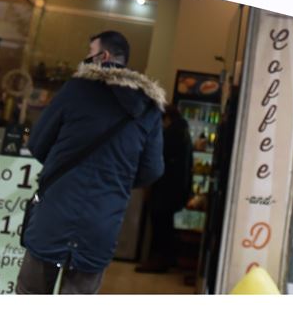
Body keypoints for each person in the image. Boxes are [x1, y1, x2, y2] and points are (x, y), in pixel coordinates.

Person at [16, 31, 165, 294]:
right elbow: (152, 169)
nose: (85, 58)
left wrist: (61, 163)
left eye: (89, 52)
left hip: (54, 213)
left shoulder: (76, 89)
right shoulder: (148, 107)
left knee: (31, 293)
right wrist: (117, 179)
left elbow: (38, 142)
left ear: (103, 56)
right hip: (102, 221)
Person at [135, 104, 193, 273]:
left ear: (166, 118)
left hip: (165, 190)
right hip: (176, 190)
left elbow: (157, 161)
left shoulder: (170, 134)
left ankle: (157, 262)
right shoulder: (183, 132)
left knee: (160, 226)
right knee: (166, 226)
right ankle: (167, 259)